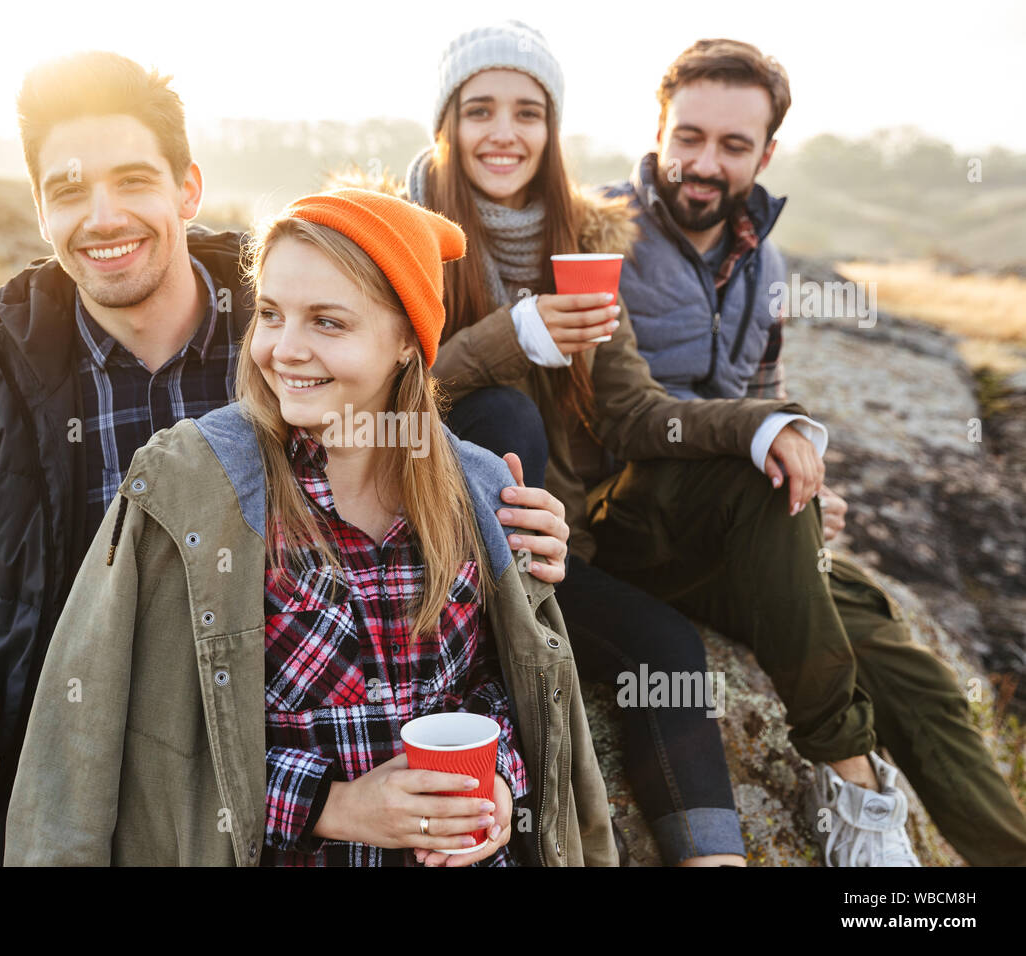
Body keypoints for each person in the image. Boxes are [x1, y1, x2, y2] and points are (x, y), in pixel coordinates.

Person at [0, 51, 572, 867]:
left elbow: (407, 418)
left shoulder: (278, 332)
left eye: (133, 179)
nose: (103, 217)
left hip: (252, 746)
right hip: (89, 742)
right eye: (68, 190)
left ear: (188, 188)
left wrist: (514, 518)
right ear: (39, 209)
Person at [335, 20, 832, 866]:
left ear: (551, 129)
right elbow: (369, 403)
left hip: (548, 552)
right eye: (479, 109)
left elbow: (634, 412)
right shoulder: (390, 232)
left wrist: (766, 424)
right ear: (446, 123)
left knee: (666, 649)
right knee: (506, 416)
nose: (504, 133)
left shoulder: (589, 240)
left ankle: (714, 858)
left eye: (528, 113)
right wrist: (509, 335)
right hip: (415, 551)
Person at [3, 189, 616, 866]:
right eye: (270, 314)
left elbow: (505, 689)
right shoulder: (192, 489)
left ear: (408, 343)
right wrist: (336, 806)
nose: (285, 350)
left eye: (328, 322)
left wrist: (497, 778)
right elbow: (141, 743)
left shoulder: (475, 491)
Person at [594, 37, 1026, 866]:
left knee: (904, 661)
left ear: (766, 152)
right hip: (629, 525)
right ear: (657, 131)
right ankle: (856, 785)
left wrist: (803, 480)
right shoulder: (603, 234)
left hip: (733, 527)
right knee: (773, 504)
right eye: (687, 137)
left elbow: (762, 394)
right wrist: (766, 447)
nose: (703, 163)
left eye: (731, 145)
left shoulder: (767, 261)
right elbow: (616, 421)